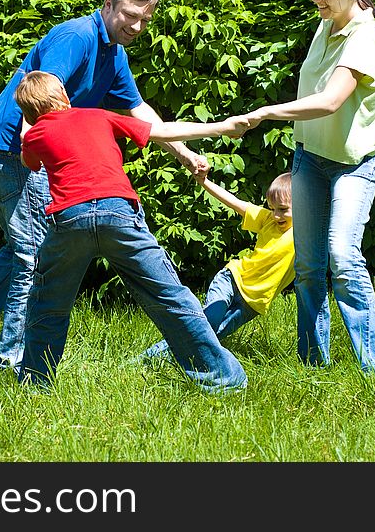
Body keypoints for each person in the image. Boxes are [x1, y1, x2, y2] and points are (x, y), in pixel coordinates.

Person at [0, 0, 212, 373]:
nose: (136, 26)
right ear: (109, 5)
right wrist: (32, 143)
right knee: (33, 251)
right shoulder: (76, 37)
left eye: (145, 20)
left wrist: (184, 153)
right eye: (130, 16)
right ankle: (12, 364)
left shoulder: (115, 56)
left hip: (31, 151)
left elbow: (138, 111)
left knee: (25, 245)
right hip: (10, 147)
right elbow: (44, 91)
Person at [14, 70, 249, 393]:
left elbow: (30, 164)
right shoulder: (98, 116)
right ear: (65, 97)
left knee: (47, 304)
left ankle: (34, 384)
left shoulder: (35, 134)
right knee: (169, 295)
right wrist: (222, 127)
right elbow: (161, 131)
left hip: (69, 219)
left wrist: (29, 124)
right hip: (118, 211)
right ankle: (221, 379)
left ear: (28, 112)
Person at [244, 0, 375, 372]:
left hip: (354, 164)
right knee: (309, 267)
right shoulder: (324, 26)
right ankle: (312, 366)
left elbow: (329, 101)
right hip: (309, 159)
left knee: (342, 258)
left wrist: (265, 112)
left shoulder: (367, 37)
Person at [141, 172, 294, 361]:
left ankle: (173, 359)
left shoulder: (304, 235)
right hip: (232, 279)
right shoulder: (267, 220)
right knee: (207, 324)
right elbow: (234, 202)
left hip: (253, 304)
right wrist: (205, 182)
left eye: (282, 209)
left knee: (210, 337)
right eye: (272, 208)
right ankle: (149, 358)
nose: (276, 215)